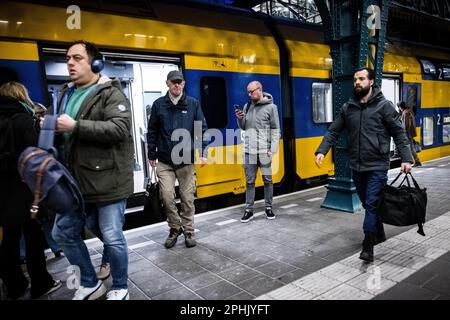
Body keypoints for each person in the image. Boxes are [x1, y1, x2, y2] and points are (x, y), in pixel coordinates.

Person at [47, 40, 134, 300]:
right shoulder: (65, 92)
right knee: (61, 233)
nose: (70, 63)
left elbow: (120, 129)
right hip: (75, 181)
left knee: (112, 236)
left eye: (77, 58)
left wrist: (75, 126)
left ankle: (120, 287)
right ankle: (90, 281)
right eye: (67, 59)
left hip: (107, 179)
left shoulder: (111, 93)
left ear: (95, 63)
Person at [314, 68, 413, 262]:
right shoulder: (348, 107)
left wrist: (406, 158)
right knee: (369, 203)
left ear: (371, 82)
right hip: (357, 166)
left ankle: (368, 243)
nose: (357, 82)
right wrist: (321, 150)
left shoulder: (384, 106)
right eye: (355, 80)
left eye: (361, 79)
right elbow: (333, 131)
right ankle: (380, 231)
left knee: (371, 202)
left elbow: (399, 134)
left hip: (377, 164)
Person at [0, 81, 61, 299]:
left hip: (3, 190)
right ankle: (41, 283)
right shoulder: (24, 120)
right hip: (23, 187)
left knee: (9, 236)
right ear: (21, 96)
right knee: (33, 235)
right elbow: (40, 152)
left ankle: (14, 286)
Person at [147, 70, 208, 249]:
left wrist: (202, 152)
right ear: (167, 83)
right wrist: (152, 154)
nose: (177, 85)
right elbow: (152, 132)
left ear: (183, 84)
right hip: (165, 161)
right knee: (166, 196)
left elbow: (200, 130)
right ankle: (175, 228)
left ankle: (188, 230)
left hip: (186, 161)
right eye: (173, 82)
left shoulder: (193, 104)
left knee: (187, 198)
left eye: (180, 82)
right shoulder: (158, 105)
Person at [235, 81, 280, 223]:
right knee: (249, 182)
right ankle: (249, 210)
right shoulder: (247, 106)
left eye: (251, 91)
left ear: (259, 90)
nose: (249, 94)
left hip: (264, 152)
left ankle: (268, 207)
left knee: (267, 180)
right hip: (249, 152)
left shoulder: (272, 108)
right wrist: (240, 119)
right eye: (248, 92)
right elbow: (243, 127)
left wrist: (272, 150)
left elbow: (275, 130)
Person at [398, 101, 421, 167]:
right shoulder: (409, 111)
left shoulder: (406, 113)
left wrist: (404, 132)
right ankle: (415, 161)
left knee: (411, 148)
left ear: (401, 107)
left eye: (399, 107)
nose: (399, 109)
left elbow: (407, 124)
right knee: (410, 147)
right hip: (410, 133)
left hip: (408, 134)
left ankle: (417, 161)